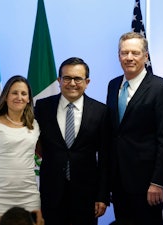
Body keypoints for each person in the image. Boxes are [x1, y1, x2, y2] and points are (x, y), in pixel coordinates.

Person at [106, 31, 163, 225]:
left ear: (146, 56)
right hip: (119, 180)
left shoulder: (161, 88)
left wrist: (158, 182)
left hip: (147, 184)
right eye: (124, 53)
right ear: (119, 56)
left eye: (135, 53)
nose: (129, 57)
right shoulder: (113, 85)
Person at [35, 57, 110, 225]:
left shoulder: (101, 111)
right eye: (67, 78)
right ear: (59, 80)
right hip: (50, 192)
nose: (72, 83)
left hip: (87, 195)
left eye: (78, 78)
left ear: (87, 81)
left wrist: (102, 196)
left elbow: (105, 157)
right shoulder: (42, 107)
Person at [0, 75, 41, 225]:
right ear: (6, 96)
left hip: (29, 195)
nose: (19, 97)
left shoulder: (35, 125)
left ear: (29, 99)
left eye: (24, 94)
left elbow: (44, 153)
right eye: (14, 93)